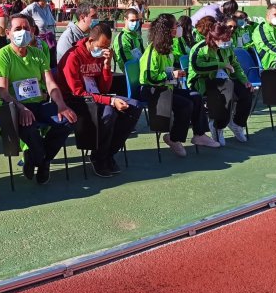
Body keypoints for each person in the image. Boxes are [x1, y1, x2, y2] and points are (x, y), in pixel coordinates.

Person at [0, 14, 77, 184]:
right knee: (28, 128)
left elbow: (50, 83)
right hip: (15, 108)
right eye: (17, 29)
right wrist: (21, 108)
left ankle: (38, 159)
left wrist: (61, 105)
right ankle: (42, 160)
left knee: (68, 120)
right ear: (8, 33)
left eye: (26, 29)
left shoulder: (38, 53)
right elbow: (3, 92)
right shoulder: (2, 56)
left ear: (32, 32)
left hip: (39, 103)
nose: (23, 32)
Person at [58, 23, 141, 177]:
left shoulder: (100, 56)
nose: (104, 50)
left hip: (95, 97)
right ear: (90, 41)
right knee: (110, 111)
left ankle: (109, 153)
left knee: (134, 106)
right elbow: (78, 92)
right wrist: (110, 101)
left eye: (107, 46)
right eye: (102, 46)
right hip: (75, 100)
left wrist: (106, 65)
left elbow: (104, 89)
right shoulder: (73, 57)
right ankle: (98, 156)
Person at [140, 15, 220, 156]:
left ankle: (199, 135)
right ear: (167, 30)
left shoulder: (168, 48)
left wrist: (176, 74)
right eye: (175, 26)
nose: (178, 28)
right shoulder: (153, 51)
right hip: (153, 90)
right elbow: (149, 77)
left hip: (166, 87)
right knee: (185, 104)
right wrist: (172, 75)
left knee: (196, 97)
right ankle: (173, 138)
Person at [188, 21, 252, 145]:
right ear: (214, 38)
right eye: (224, 39)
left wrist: (245, 81)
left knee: (247, 92)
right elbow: (197, 67)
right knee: (225, 92)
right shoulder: (200, 48)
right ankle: (218, 126)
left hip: (225, 80)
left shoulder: (227, 48)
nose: (227, 41)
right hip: (202, 82)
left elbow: (235, 65)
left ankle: (237, 124)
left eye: (228, 38)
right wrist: (221, 65)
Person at [20, 0, 58, 67]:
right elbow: (19, 18)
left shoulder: (48, 7)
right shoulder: (32, 8)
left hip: (51, 43)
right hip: (39, 45)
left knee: (52, 68)